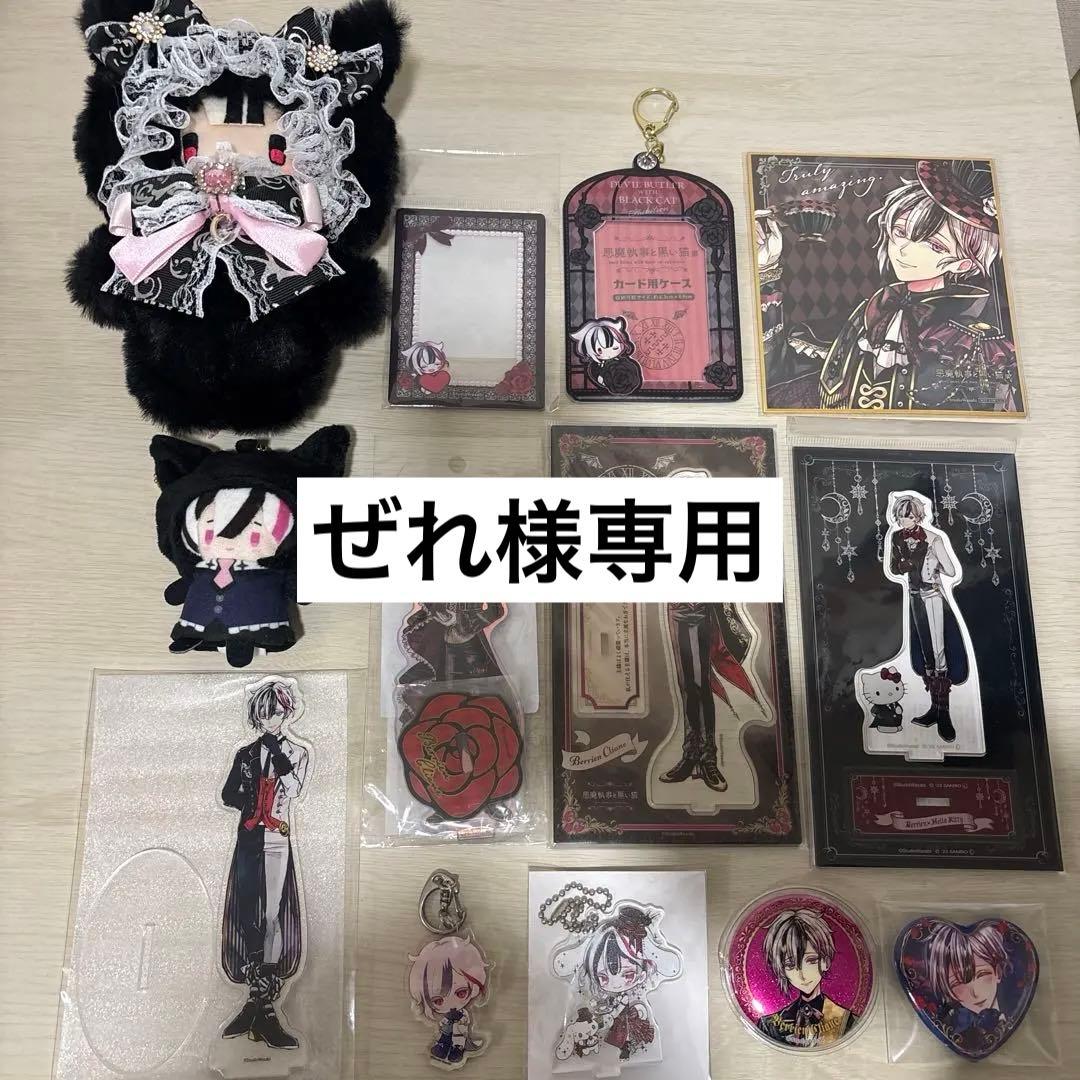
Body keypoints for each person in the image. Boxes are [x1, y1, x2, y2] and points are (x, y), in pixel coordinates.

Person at [760, 160, 1020, 412]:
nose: (904, 249)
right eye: (900, 232)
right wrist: (766, 267)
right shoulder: (870, 312)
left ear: (962, 265)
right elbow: (781, 384)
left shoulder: (973, 342)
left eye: (934, 245)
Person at [219, 677, 309, 1049]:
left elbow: (295, 789)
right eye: (266, 713)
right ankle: (258, 1001)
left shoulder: (297, 753)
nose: (271, 719)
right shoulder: (244, 753)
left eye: (277, 712)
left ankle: (263, 1005)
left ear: (286, 713)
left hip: (277, 839)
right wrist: (249, 804)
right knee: (246, 912)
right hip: (248, 836)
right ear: (257, 715)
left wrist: (277, 753)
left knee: (272, 914)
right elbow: (227, 793)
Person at [887, 494, 970, 742]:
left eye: (909, 516)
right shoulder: (896, 537)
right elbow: (892, 567)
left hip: (932, 596)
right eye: (901, 516)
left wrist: (933, 565)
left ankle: (944, 714)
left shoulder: (933, 539)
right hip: (914, 598)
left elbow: (951, 570)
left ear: (918, 516)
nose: (904, 521)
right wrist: (902, 565)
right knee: (924, 652)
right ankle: (934, 709)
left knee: (938, 651)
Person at [756, 908, 858, 1048]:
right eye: (790, 965)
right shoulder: (769, 1026)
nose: (802, 975)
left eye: (811, 961)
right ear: (782, 970)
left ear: (826, 962)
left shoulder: (847, 1021)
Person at [408, 937, 488, 1066]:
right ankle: (442, 1046)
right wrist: (444, 1023)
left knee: (458, 1036)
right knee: (445, 1035)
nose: (451, 1002)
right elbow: (444, 1024)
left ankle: (457, 1049)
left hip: (459, 1032)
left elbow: (463, 1023)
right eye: (438, 1000)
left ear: (473, 988)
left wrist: (460, 1024)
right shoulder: (446, 1016)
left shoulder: (462, 1014)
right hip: (447, 1029)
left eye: (461, 993)